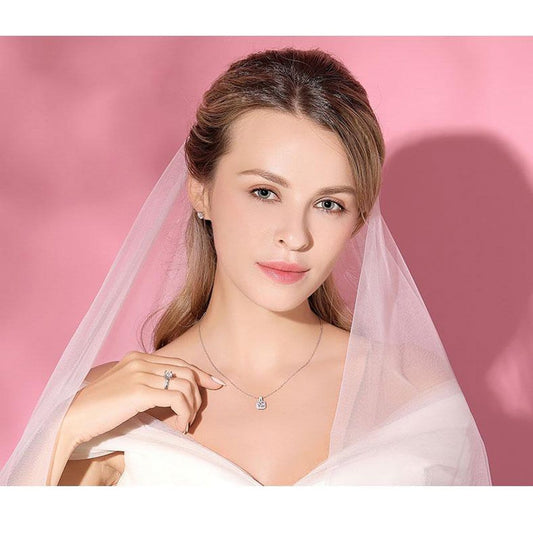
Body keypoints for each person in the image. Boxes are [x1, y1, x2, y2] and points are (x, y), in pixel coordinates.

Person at [0, 47, 492, 486]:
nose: (295, 236)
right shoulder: (108, 404)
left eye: (329, 204)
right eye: (264, 192)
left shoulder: (413, 393)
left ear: (357, 220)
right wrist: (63, 429)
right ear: (201, 191)